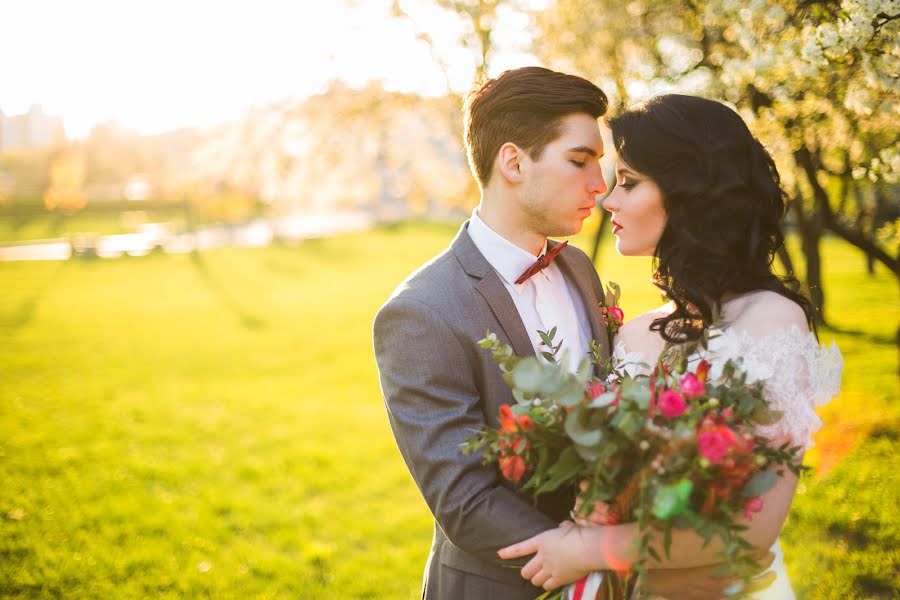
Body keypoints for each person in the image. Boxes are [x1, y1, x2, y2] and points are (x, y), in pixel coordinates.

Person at [498, 94, 842, 599]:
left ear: (691, 194)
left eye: (630, 183)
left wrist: (587, 550)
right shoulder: (635, 333)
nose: (608, 200)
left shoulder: (770, 323)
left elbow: (752, 529)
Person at [373, 66, 611, 599]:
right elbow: (461, 495)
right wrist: (585, 558)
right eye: (580, 161)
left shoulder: (580, 270)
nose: (599, 183)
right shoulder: (421, 312)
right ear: (513, 161)